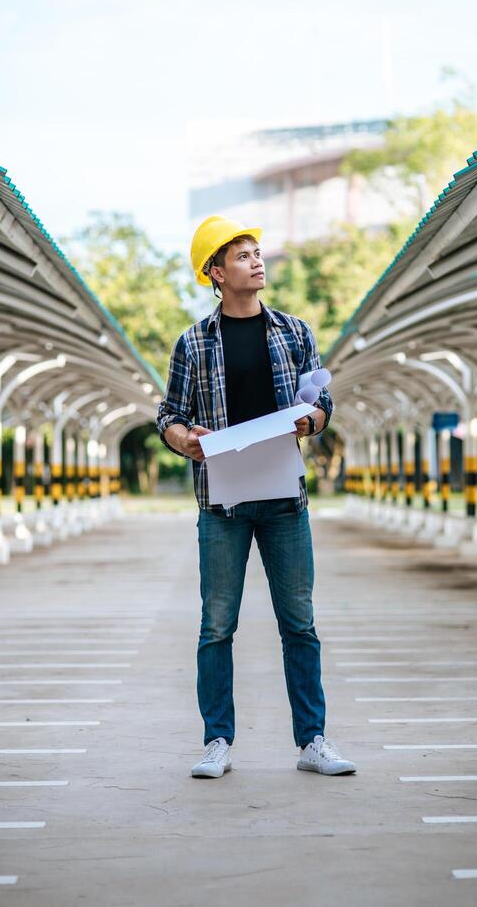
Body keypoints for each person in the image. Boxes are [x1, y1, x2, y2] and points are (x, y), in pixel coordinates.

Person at [156, 215, 356, 779]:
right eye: (242, 255)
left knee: (300, 623)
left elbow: (321, 403)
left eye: (257, 251)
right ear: (216, 273)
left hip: (284, 501)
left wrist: (315, 419)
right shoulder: (192, 343)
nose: (256, 260)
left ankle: (313, 740)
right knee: (217, 626)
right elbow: (169, 415)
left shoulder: (295, 332)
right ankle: (216, 740)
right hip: (221, 506)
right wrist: (181, 438)